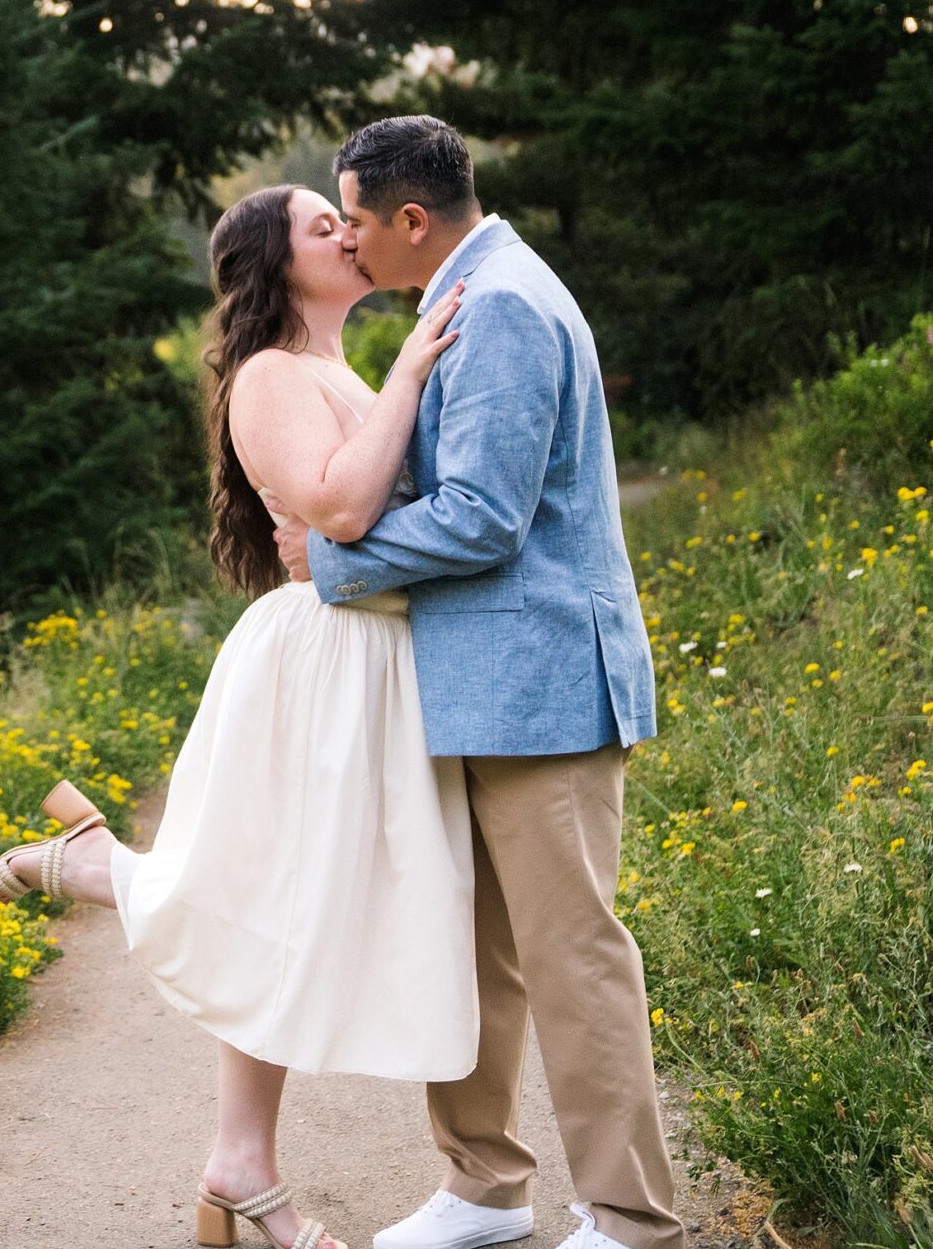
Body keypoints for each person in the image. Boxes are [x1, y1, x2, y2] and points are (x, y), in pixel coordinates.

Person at [0, 179, 477, 1249]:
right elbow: (339, 506)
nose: (346, 234)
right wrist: (410, 376)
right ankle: (85, 868)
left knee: (293, 913)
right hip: (318, 665)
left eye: (345, 221)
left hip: (379, 662)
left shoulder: (335, 367)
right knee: (271, 908)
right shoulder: (269, 376)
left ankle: (237, 1164)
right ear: (271, 261)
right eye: (318, 224)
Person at [273, 115, 679, 1249]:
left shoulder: (499, 301)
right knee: (466, 958)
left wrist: (334, 563)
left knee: (571, 958)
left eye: (353, 219)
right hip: (477, 686)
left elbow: (485, 517)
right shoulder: (465, 289)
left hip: (542, 685)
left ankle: (633, 1220)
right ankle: (483, 1188)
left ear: (410, 218)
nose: (347, 242)